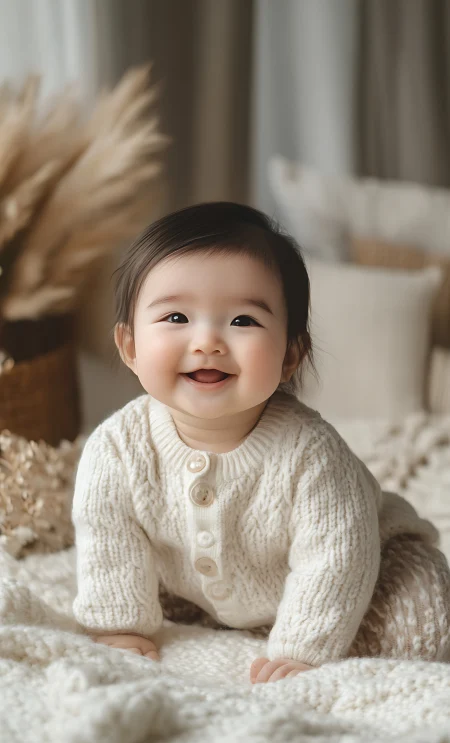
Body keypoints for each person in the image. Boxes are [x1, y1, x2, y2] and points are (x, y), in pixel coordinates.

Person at [72, 202, 450, 684]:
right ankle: (241, 614)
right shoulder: (115, 448)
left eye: (243, 321)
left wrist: (303, 650)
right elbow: (108, 539)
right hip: (202, 581)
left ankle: (315, 625)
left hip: (371, 562)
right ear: (129, 348)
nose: (207, 340)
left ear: (290, 355)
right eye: (176, 317)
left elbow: (336, 558)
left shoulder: (311, 455)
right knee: (143, 582)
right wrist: (119, 626)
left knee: (424, 621)